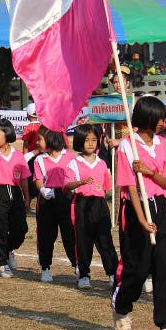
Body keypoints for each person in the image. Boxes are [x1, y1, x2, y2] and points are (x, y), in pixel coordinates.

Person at [112, 96, 166, 330]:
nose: (163, 122)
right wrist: (142, 221)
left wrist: (148, 171)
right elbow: (130, 187)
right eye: (159, 118)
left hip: (161, 207)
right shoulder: (127, 145)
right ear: (147, 118)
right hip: (136, 209)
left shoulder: (163, 144)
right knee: (138, 268)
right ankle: (122, 310)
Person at [64, 124, 118, 289]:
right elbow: (66, 186)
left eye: (94, 140)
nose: (90, 143)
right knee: (83, 240)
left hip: (99, 204)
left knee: (105, 240)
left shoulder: (101, 163)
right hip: (81, 204)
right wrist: (81, 182)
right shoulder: (74, 163)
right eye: (87, 140)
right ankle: (84, 274)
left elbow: (106, 187)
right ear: (79, 141)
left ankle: (113, 273)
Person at [0, 118, 30, 278]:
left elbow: (24, 179)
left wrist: (27, 198)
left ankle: (8, 250)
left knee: (21, 228)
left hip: (15, 194)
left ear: (7, 134)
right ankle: (2, 263)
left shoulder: (18, 156)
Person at [34, 128, 77, 283]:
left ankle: (77, 265)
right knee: (46, 234)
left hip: (66, 197)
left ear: (51, 139)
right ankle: (45, 267)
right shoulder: (40, 159)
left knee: (70, 233)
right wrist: (43, 190)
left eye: (40, 139)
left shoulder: (69, 157)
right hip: (48, 198)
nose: (37, 142)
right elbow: (38, 179)